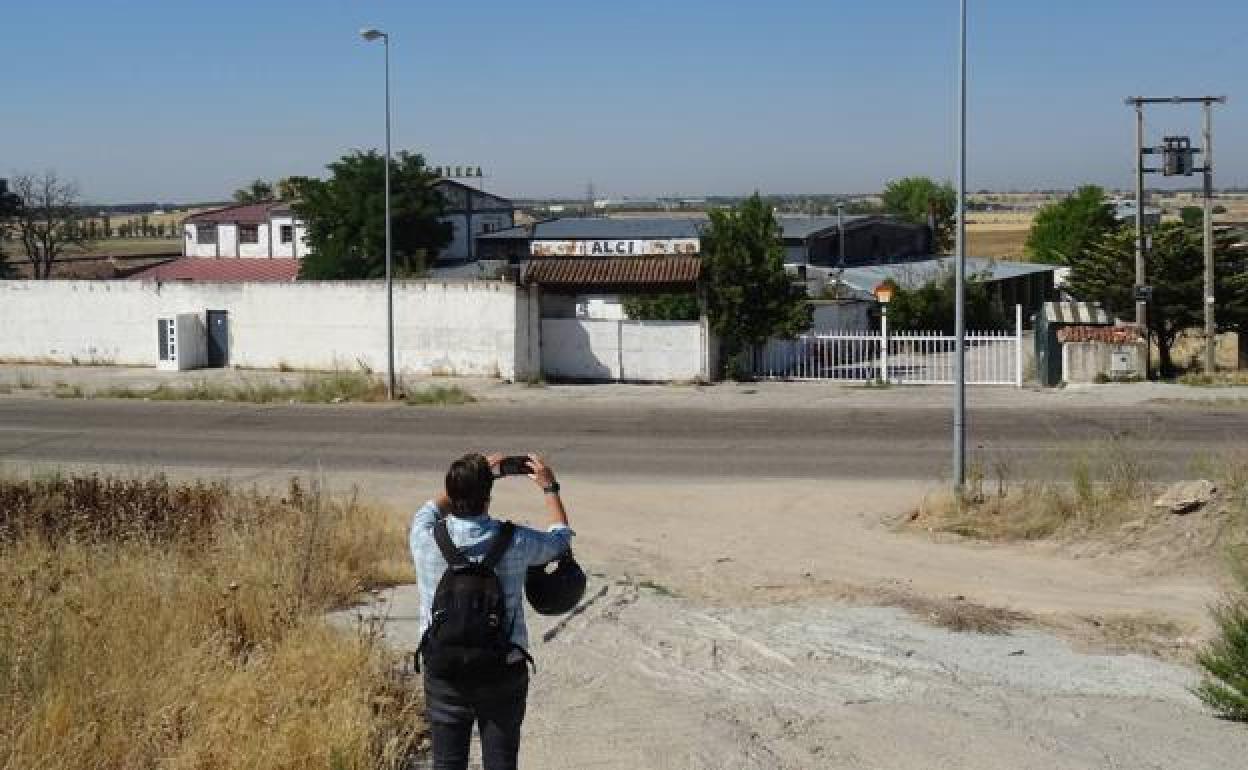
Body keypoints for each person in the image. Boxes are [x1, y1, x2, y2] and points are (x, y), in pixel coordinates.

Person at [410, 452, 573, 770]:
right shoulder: (516, 541)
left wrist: (477, 475)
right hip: (501, 668)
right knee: (501, 762)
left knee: (446, 762)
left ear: (451, 492)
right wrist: (549, 488)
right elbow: (561, 540)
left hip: (444, 669)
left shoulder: (424, 537)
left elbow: (430, 509)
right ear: (488, 497)